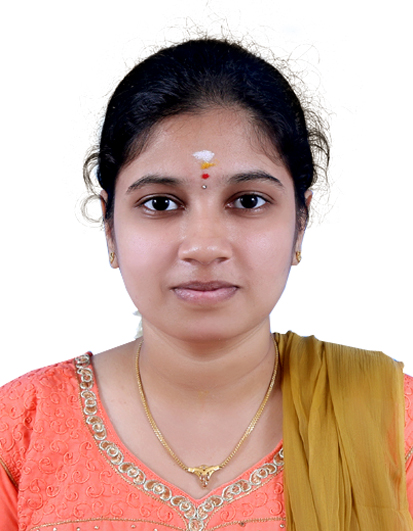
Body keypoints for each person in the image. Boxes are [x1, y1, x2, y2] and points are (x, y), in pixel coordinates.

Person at [1, 38, 412, 531]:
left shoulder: (392, 425)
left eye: (248, 200)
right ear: (110, 227)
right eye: (160, 203)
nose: (203, 246)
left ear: (300, 223)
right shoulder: (22, 428)